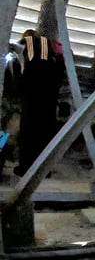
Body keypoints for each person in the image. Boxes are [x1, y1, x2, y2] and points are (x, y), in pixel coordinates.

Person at [5, 29, 64, 177]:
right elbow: (60, 72)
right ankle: (44, 170)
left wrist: (18, 90)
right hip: (49, 99)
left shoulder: (24, 44)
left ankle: (25, 168)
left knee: (28, 134)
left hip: (31, 97)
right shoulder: (48, 47)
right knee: (45, 135)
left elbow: (14, 71)